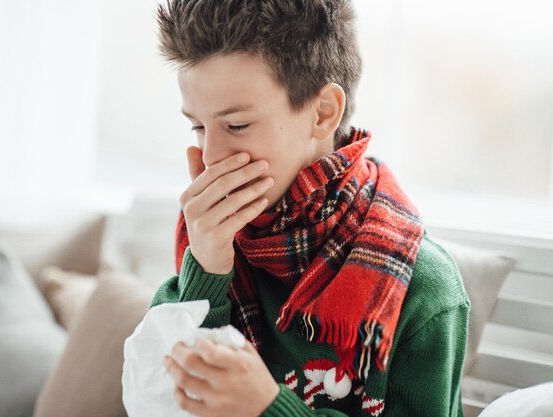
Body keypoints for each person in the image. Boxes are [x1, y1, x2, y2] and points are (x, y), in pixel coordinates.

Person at [149, 1, 470, 416]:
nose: (209, 156)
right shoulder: (217, 244)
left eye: (237, 126)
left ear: (322, 114)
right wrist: (206, 267)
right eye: (198, 126)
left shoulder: (422, 290)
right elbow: (159, 395)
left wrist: (268, 408)